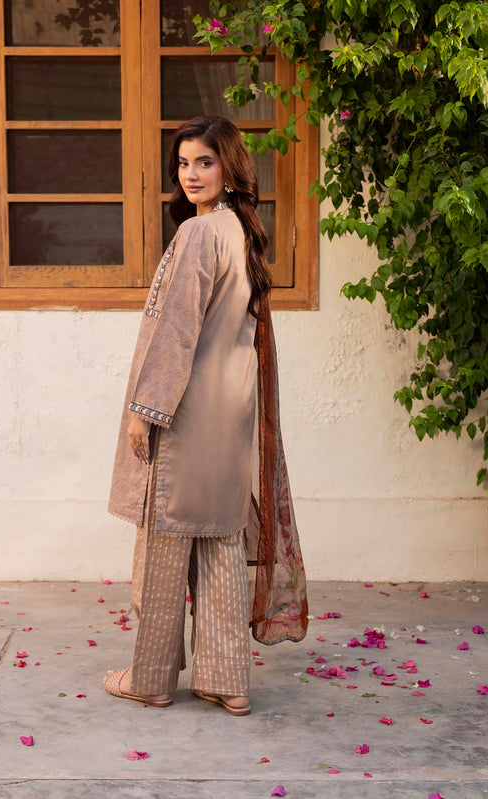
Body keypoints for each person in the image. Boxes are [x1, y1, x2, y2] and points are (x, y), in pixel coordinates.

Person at [104, 115, 308, 716]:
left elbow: (176, 331)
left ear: (230, 168)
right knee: (220, 544)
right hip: (232, 414)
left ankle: (151, 679)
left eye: (204, 162)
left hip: (185, 414)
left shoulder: (198, 234)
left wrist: (145, 413)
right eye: (184, 163)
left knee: (164, 546)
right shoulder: (240, 230)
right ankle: (226, 680)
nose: (190, 174)